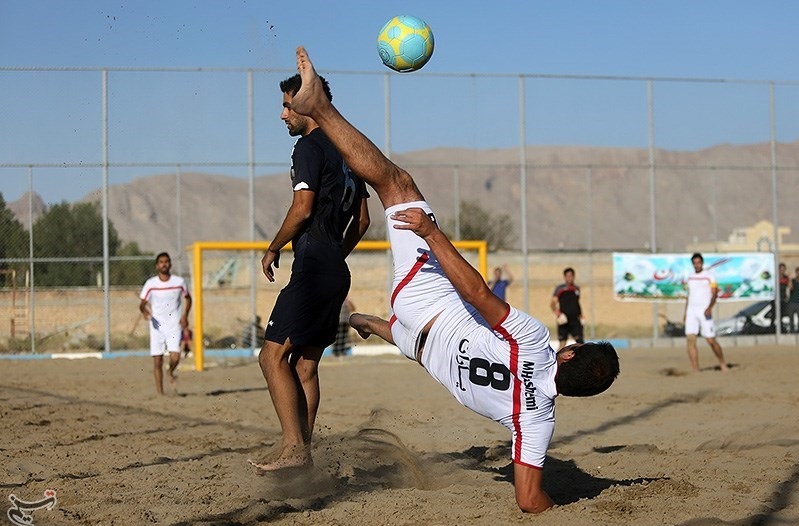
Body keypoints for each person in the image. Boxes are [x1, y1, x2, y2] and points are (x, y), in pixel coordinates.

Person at [285, 46, 620, 513]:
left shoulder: (534, 341)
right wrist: (557, 506)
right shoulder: (538, 420)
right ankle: (363, 319)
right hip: (421, 342)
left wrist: (431, 232)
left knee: (396, 184)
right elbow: (528, 501)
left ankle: (318, 106)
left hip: (430, 301)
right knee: (403, 335)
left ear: (569, 352)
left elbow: (478, 293)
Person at [249, 71, 370, 472]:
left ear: (307, 105)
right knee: (304, 365)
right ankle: (303, 451)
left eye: (288, 105)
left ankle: (294, 448)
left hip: (315, 265)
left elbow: (302, 209)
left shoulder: (308, 147)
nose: (283, 115)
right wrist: (337, 253)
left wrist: (272, 247)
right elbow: (364, 221)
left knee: (271, 357)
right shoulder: (347, 149)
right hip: (334, 268)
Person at [139, 252, 192, 395]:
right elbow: (142, 304)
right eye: (161, 262)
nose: (164, 264)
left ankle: (170, 371)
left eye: (167, 261)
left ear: (170, 264)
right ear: (157, 266)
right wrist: (144, 312)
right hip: (156, 326)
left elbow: (188, 299)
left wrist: (185, 316)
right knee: (157, 361)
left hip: (174, 324)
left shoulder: (179, 282)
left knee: (175, 356)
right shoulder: (151, 284)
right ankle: (160, 393)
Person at [683, 253, 728, 372]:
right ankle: (695, 369)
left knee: (710, 340)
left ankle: (722, 363)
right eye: (694, 263)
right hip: (691, 312)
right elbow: (689, 295)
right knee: (690, 339)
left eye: (698, 263)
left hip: (704, 312)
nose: (697, 265)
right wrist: (685, 312)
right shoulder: (690, 277)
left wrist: (709, 307)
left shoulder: (710, 276)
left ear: (702, 263)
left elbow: (714, 294)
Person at [550, 267, 584, 349]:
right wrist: (558, 314)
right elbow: (552, 303)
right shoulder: (560, 289)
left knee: (580, 343)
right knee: (562, 343)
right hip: (564, 320)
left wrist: (581, 315)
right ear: (564, 277)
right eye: (567, 276)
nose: (569, 278)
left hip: (575, 320)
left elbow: (576, 303)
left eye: (571, 276)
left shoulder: (576, 289)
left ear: (574, 276)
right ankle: (556, 361)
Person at [787, 266, 799, 333]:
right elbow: (790, 288)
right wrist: (790, 279)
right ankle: (792, 330)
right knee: (791, 318)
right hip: (792, 302)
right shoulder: (793, 281)